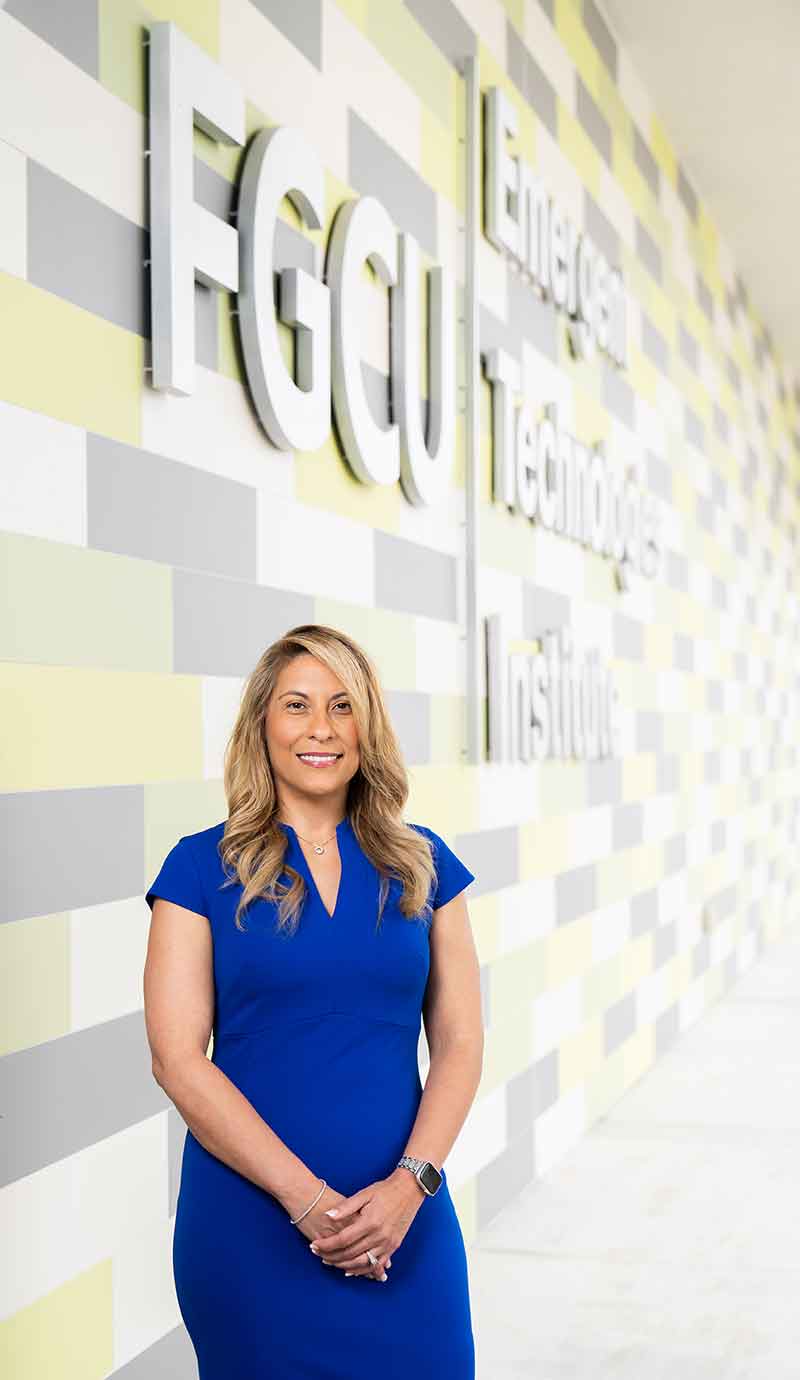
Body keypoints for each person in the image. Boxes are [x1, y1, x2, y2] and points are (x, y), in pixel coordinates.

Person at [143, 622, 483, 1378]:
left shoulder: (425, 865)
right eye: (296, 705)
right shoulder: (199, 867)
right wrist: (308, 1202)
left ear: (368, 725)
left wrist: (408, 1188)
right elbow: (176, 1058)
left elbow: (460, 1042)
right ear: (262, 724)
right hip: (251, 1227)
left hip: (409, 1224)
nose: (321, 729)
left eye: (342, 705)